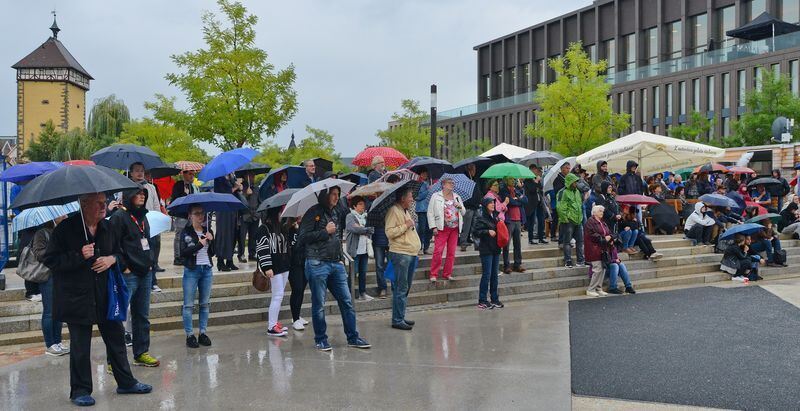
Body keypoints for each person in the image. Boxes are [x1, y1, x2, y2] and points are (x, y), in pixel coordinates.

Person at [42, 193, 152, 406]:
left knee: (116, 338)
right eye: (99, 203)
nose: (104, 207)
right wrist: (78, 255)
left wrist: (112, 259)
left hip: (105, 294)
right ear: (84, 204)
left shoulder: (108, 227)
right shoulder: (66, 229)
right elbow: (51, 260)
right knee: (80, 346)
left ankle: (126, 382)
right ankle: (80, 391)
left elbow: (122, 254)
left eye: (104, 203)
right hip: (77, 296)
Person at [297, 186, 370, 351]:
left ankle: (353, 337)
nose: (337, 198)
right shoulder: (313, 212)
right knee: (319, 304)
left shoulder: (337, 212)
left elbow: (338, 236)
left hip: (335, 263)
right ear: (325, 195)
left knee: (347, 301)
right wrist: (325, 231)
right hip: (317, 262)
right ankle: (321, 339)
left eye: (338, 194)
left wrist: (339, 258)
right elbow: (303, 238)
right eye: (333, 195)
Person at [108, 186, 160, 368]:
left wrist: (151, 262)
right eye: (137, 194)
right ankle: (113, 360)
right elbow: (112, 245)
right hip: (129, 274)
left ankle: (141, 352)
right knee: (119, 318)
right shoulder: (119, 217)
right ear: (128, 196)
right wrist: (124, 267)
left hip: (145, 272)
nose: (141, 196)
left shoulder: (143, 217)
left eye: (143, 194)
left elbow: (148, 242)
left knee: (142, 316)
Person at [385, 186, 421, 330]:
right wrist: (406, 225)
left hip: (410, 253)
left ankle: (400, 315)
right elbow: (390, 232)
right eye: (410, 197)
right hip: (401, 253)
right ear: (403, 198)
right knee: (401, 288)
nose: (412, 199)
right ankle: (397, 319)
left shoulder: (404, 210)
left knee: (405, 288)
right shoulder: (394, 210)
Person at [31, 217, 69, 356]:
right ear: (54, 216)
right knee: (49, 310)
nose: (65, 217)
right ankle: (50, 344)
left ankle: (58, 342)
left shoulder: (62, 231)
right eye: (63, 215)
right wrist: (55, 252)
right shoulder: (42, 233)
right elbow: (38, 252)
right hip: (48, 276)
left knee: (58, 309)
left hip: (61, 274)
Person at [179, 205, 215, 348]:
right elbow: (183, 253)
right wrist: (199, 245)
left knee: (204, 303)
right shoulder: (186, 232)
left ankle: (203, 333)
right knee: (188, 305)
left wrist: (211, 240)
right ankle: (190, 335)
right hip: (192, 270)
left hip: (207, 269)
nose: (200, 216)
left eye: (202, 213)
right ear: (190, 215)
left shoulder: (208, 231)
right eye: (197, 213)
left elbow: (213, 252)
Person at [256, 206, 293, 337]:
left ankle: (274, 322)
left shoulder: (281, 228)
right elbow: (262, 248)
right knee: (277, 296)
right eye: (280, 212)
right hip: (274, 267)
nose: (281, 215)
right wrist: (267, 267)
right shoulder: (264, 229)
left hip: (283, 266)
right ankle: (271, 326)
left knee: (279, 295)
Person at [128, 163, 165, 285]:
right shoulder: (127, 187)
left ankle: (152, 281)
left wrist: (157, 221)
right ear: (131, 173)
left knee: (152, 253)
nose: (140, 173)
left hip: (150, 223)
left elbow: (156, 206)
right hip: (133, 224)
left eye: (142, 171)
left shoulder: (151, 187)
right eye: (137, 171)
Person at [427, 176, 465, 281]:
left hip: (455, 228)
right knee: (438, 251)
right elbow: (430, 212)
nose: (452, 184)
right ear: (443, 184)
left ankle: (447, 273)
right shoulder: (436, 196)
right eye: (450, 183)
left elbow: (464, 212)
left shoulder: (457, 197)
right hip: (441, 228)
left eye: (453, 183)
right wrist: (433, 226)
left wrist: (460, 207)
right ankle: (433, 274)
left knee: (451, 252)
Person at [473, 197, 504, 309]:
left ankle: (494, 298)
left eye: (493, 203)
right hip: (486, 249)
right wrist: (487, 231)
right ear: (485, 205)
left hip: (495, 248)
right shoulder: (481, 217)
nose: (492, 205)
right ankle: (482, 300)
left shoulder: (495, 217)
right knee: (487, 274)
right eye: (490, 203)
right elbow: (475, 232)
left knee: (494, 275)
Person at [345, 196, 374, 301]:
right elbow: (353, 228)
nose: (363, 206)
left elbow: (371, 229)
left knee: (363, 273)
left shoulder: (365, 217)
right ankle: (349, 294)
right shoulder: (350, 216)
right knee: (353, 273)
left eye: (363, 204)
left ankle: (362, 293)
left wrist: (363, 229)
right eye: (360, 204)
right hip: (355, 250)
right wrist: (365, 229)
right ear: (354, 206)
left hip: (365, 249)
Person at [214, 174, 242, 271]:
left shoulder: (232, 177)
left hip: (232, 209)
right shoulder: (219, 178)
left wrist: (239, 186)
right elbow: (222, 193)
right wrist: (235, 187)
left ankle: (229, 260)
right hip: (222, 209)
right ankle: (220, 261)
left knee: (233, 234)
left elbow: (236, 191)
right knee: (223, 234)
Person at [286, 216, 309, 330]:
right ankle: (295, 319)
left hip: (304, 262)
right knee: (297, 289)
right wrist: (294, 229)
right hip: (293, 264)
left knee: (301, 290)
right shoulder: (287, 229)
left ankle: (297, 315)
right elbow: (291, 246)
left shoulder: (305, 227)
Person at [557, 173, 585, 268]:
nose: (576, 183)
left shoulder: (577, 191)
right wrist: (565, 219)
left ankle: (580, 260)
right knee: (567, 242)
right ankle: (568, 260)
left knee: (580, 241)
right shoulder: (563, 192)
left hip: (578, 220)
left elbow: (579, 205)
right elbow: (560, 207)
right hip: (569, 221)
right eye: (574, 181)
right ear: (570, 182)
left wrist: (580, 218)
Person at [171, 169, 198, 266]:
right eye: (190, 174)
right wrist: (184, 194)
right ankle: (177, 257)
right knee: (179, 236)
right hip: (180, 214)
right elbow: (175, 198)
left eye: (193, 174)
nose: (192, 176)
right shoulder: (178, 185)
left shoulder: (191, 187)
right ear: (184, 174)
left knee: (189, 235)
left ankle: (187, 253)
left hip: (189, 214)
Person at [500, 177, 527, 273]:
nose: (513, 181)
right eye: (511, 179)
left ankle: (517, 264)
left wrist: (518, 199)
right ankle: (506, 265)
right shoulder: (503, 191)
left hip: (518, 220)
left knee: (517, 244)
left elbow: (526, 200)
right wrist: (518, 201)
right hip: (509, 220)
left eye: (514, 179)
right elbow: (510, 202)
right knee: (506, 244)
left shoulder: (517, 190)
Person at [584, 205, 610, 297]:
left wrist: (610, 237)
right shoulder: (590, 222)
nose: (602, 213)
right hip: (593, 248)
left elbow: (607, 232)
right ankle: (591, 289)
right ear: (594, 212)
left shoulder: (602, 222)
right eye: (600, 211)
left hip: (602, 248)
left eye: (602, 211)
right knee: (597, 269)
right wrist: (604, 238)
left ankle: (599, 288)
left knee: (602, 269)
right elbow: (591, 235)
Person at [460, 163, 482, 252]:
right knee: (466, 226)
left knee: (476, 226)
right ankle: (463, 242)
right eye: (474, 169)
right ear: (470, 170)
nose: (475, 171)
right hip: (468, 206)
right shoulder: (465, 179)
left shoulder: (474, 179)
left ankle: (477, 243)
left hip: (476, 206)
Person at [238, 172, 259, 263]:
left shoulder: (257, 188)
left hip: (255, 215)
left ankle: (252, 253)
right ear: (245, 176)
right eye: (250, 175)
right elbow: (239, 202)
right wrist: (246, 195)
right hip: (244, 215)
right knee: (242, 236)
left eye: (253, 175)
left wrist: (259, 213)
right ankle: (241, 254)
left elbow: (259, 200)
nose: (252, 177)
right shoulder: (241, 188)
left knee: (253, 236)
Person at [524, 164, 548, 245]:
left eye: (536, 170)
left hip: (539, 202)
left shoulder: (535, 178)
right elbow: (531, 189)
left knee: (541, 220)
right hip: (531, 203)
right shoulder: (527, 180)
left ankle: (541, 237)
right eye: (534, 170)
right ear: (530, 170)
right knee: (532, 222)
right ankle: (531, 239)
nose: (536, 172)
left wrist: (538, 181)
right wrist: (536, 182)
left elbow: (540, 188)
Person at [551, 161, 571, 241]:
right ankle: (553, 235)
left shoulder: (567, 179)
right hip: (559, 203)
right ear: (562, 169)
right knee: (556, 219)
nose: (568, 170)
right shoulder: (557, 179)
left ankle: (563, 235)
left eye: (569, 168)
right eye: (567, 168)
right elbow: (558, 191)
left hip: (566, 203)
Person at [415, 169, 432, 255]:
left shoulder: (429, 183)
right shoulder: (417, 184)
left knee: (429, 229)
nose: (425, 174)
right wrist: (428, 190)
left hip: (429, 209)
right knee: (422, 229)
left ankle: (426, 247)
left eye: (426, 173)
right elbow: (417, 197)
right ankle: (419, 247)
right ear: (420, 174)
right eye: (423, 173)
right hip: (421, 209)